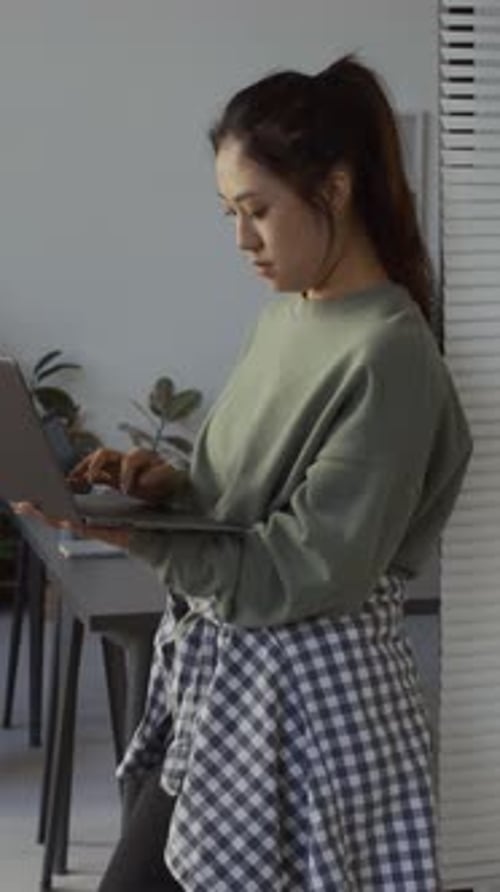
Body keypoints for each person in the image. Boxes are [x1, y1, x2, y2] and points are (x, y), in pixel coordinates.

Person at [18, 54, 472, 891]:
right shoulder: (289, 317)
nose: (242, 240)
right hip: (232, 683)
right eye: (229, 212)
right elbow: (248, 504)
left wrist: (131, 536)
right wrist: (164, 489)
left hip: (312, 709)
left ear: (334, 190)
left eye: (257, 211)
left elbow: (297, 570)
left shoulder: (391, 357)